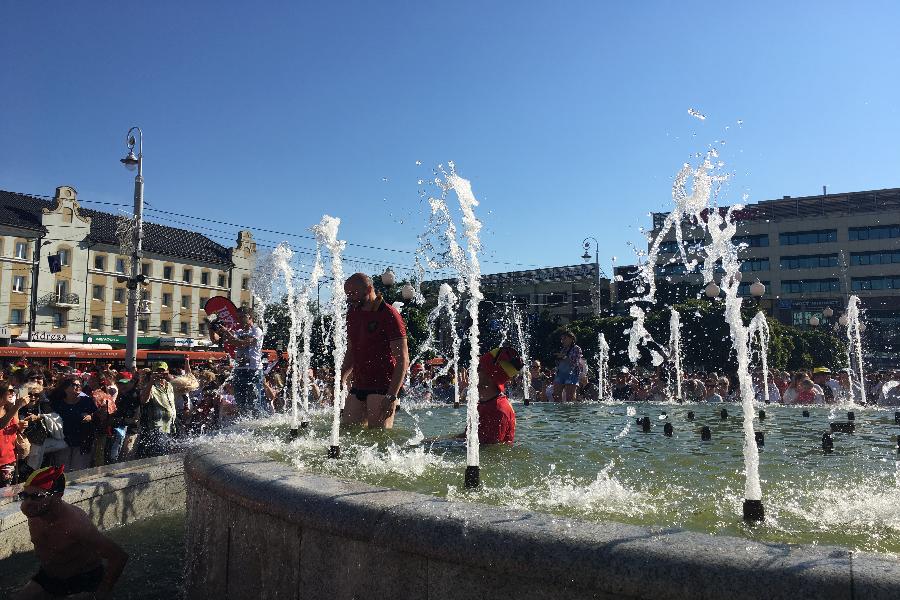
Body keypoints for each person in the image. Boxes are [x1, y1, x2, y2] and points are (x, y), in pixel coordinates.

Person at [14, 466, 128, 600]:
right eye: (24, 496)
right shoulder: (35, 512)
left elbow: (119, 556)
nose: (27, 503)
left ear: (58, 495)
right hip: (48, 576)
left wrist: (101, 593)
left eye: (37, 496)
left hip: (82, 581)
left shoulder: (76, 524)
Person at [340, 273, 409, 428]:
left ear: (369, 289)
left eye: (353, 293)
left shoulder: (389, 314)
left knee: (378, 436)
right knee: (347, 430)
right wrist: (340, 378)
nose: (350, 298)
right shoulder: (352, 313)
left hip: (383, 385)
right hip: (359, 384)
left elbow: (403, 359)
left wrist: (392, 395)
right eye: (347, 294)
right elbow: (351, 349)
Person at [457, 347, 522, 444]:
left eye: (478, 368)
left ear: (491, 376)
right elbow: (466, 436)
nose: (471, 371)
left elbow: (490, 450)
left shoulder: (499, 411)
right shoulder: (483, 402)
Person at [213, 307, 265, 416]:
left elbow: (242, 343)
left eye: (242, 317)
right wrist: (214, 329)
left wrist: (227, 333)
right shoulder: (239, 332)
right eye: (238, 317)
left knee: (254, 402)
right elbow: (219, 340)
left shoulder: (256, 330)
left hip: (253, 370)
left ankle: (258, 422)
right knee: (241, 402)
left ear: (250, 317)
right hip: (239, 370)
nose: (239, 319)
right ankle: (245, 422)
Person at [48, 377, 96, 471]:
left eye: (80, 385)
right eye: (74, 385)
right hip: (62, 442)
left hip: (82, 442)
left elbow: (97, 415)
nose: (78, 386)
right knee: (62, 471)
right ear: (65, 388)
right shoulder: (58, 403)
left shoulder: (87, 401)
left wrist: (91, 416)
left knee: (79, 472)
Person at [139, 362, 176, 457]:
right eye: (158, 371)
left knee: (168, 455)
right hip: (157, 427)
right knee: (160, 455)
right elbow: (143, 400)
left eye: (162, 371)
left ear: (167, 372)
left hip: (170, 426)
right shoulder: (150, 386)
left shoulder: (170, 385)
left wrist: (170, 377)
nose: (160, 374)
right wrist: (151, 382)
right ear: (153, 373)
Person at [553, 330, 583, 402]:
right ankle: (558, 409)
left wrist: (564, 357)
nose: (562, 341)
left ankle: (571, 409)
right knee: (556, 396)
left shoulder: (576, 348)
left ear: (571, 338)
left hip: (571, 374)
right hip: (560, 374)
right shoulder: (563, 349)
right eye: (561, 339)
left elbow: (575, 362)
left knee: (570, 398)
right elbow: (560, 363)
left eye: (564, 338)